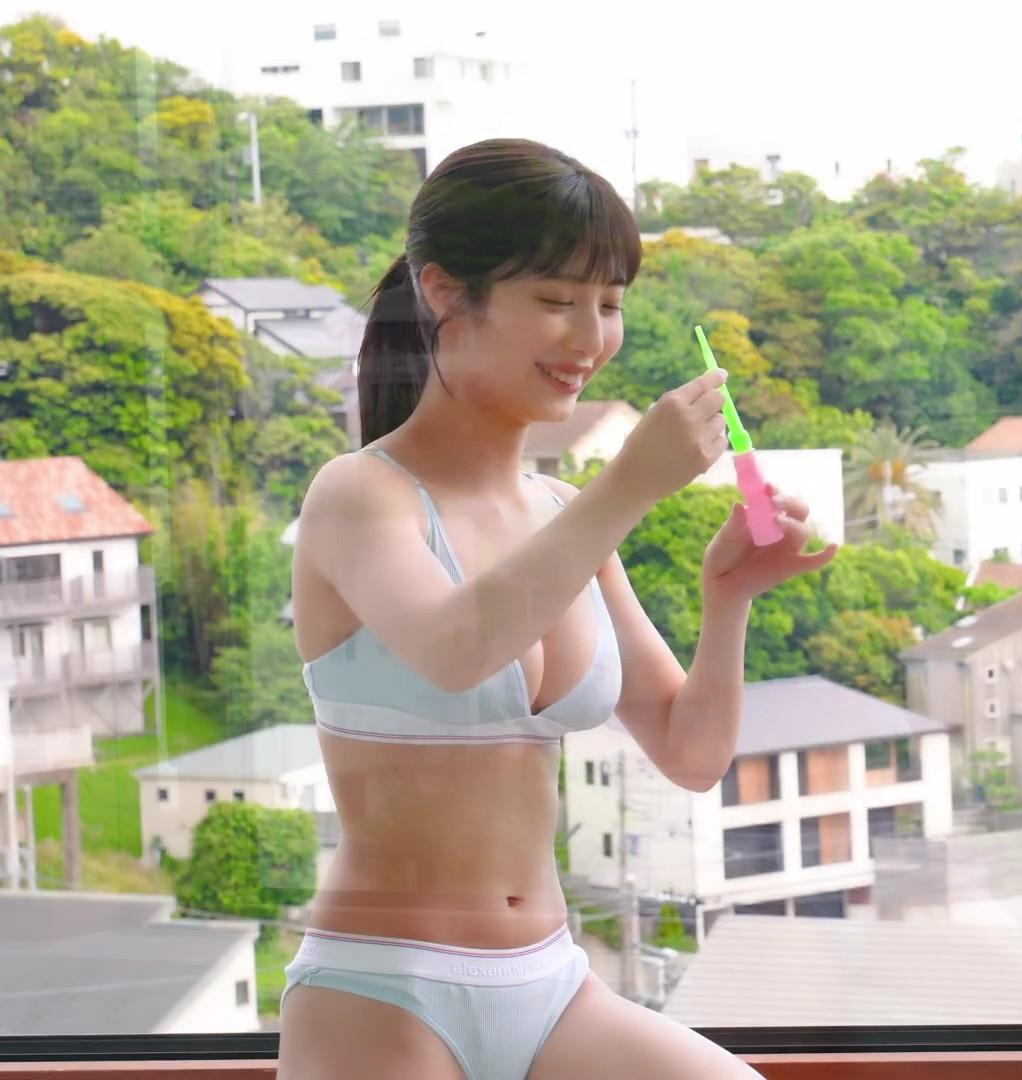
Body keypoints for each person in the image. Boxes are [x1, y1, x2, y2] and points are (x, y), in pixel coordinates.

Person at [277, 138, 834, 1079]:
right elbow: (455, 650)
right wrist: (631, 484)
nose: (590, 337)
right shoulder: (359, 496)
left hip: (553, 984)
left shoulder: (562, 513)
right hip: (381, 992)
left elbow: (690, 751)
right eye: (556, 300)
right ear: (445, 291)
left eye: (609, 304)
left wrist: (728, 595)